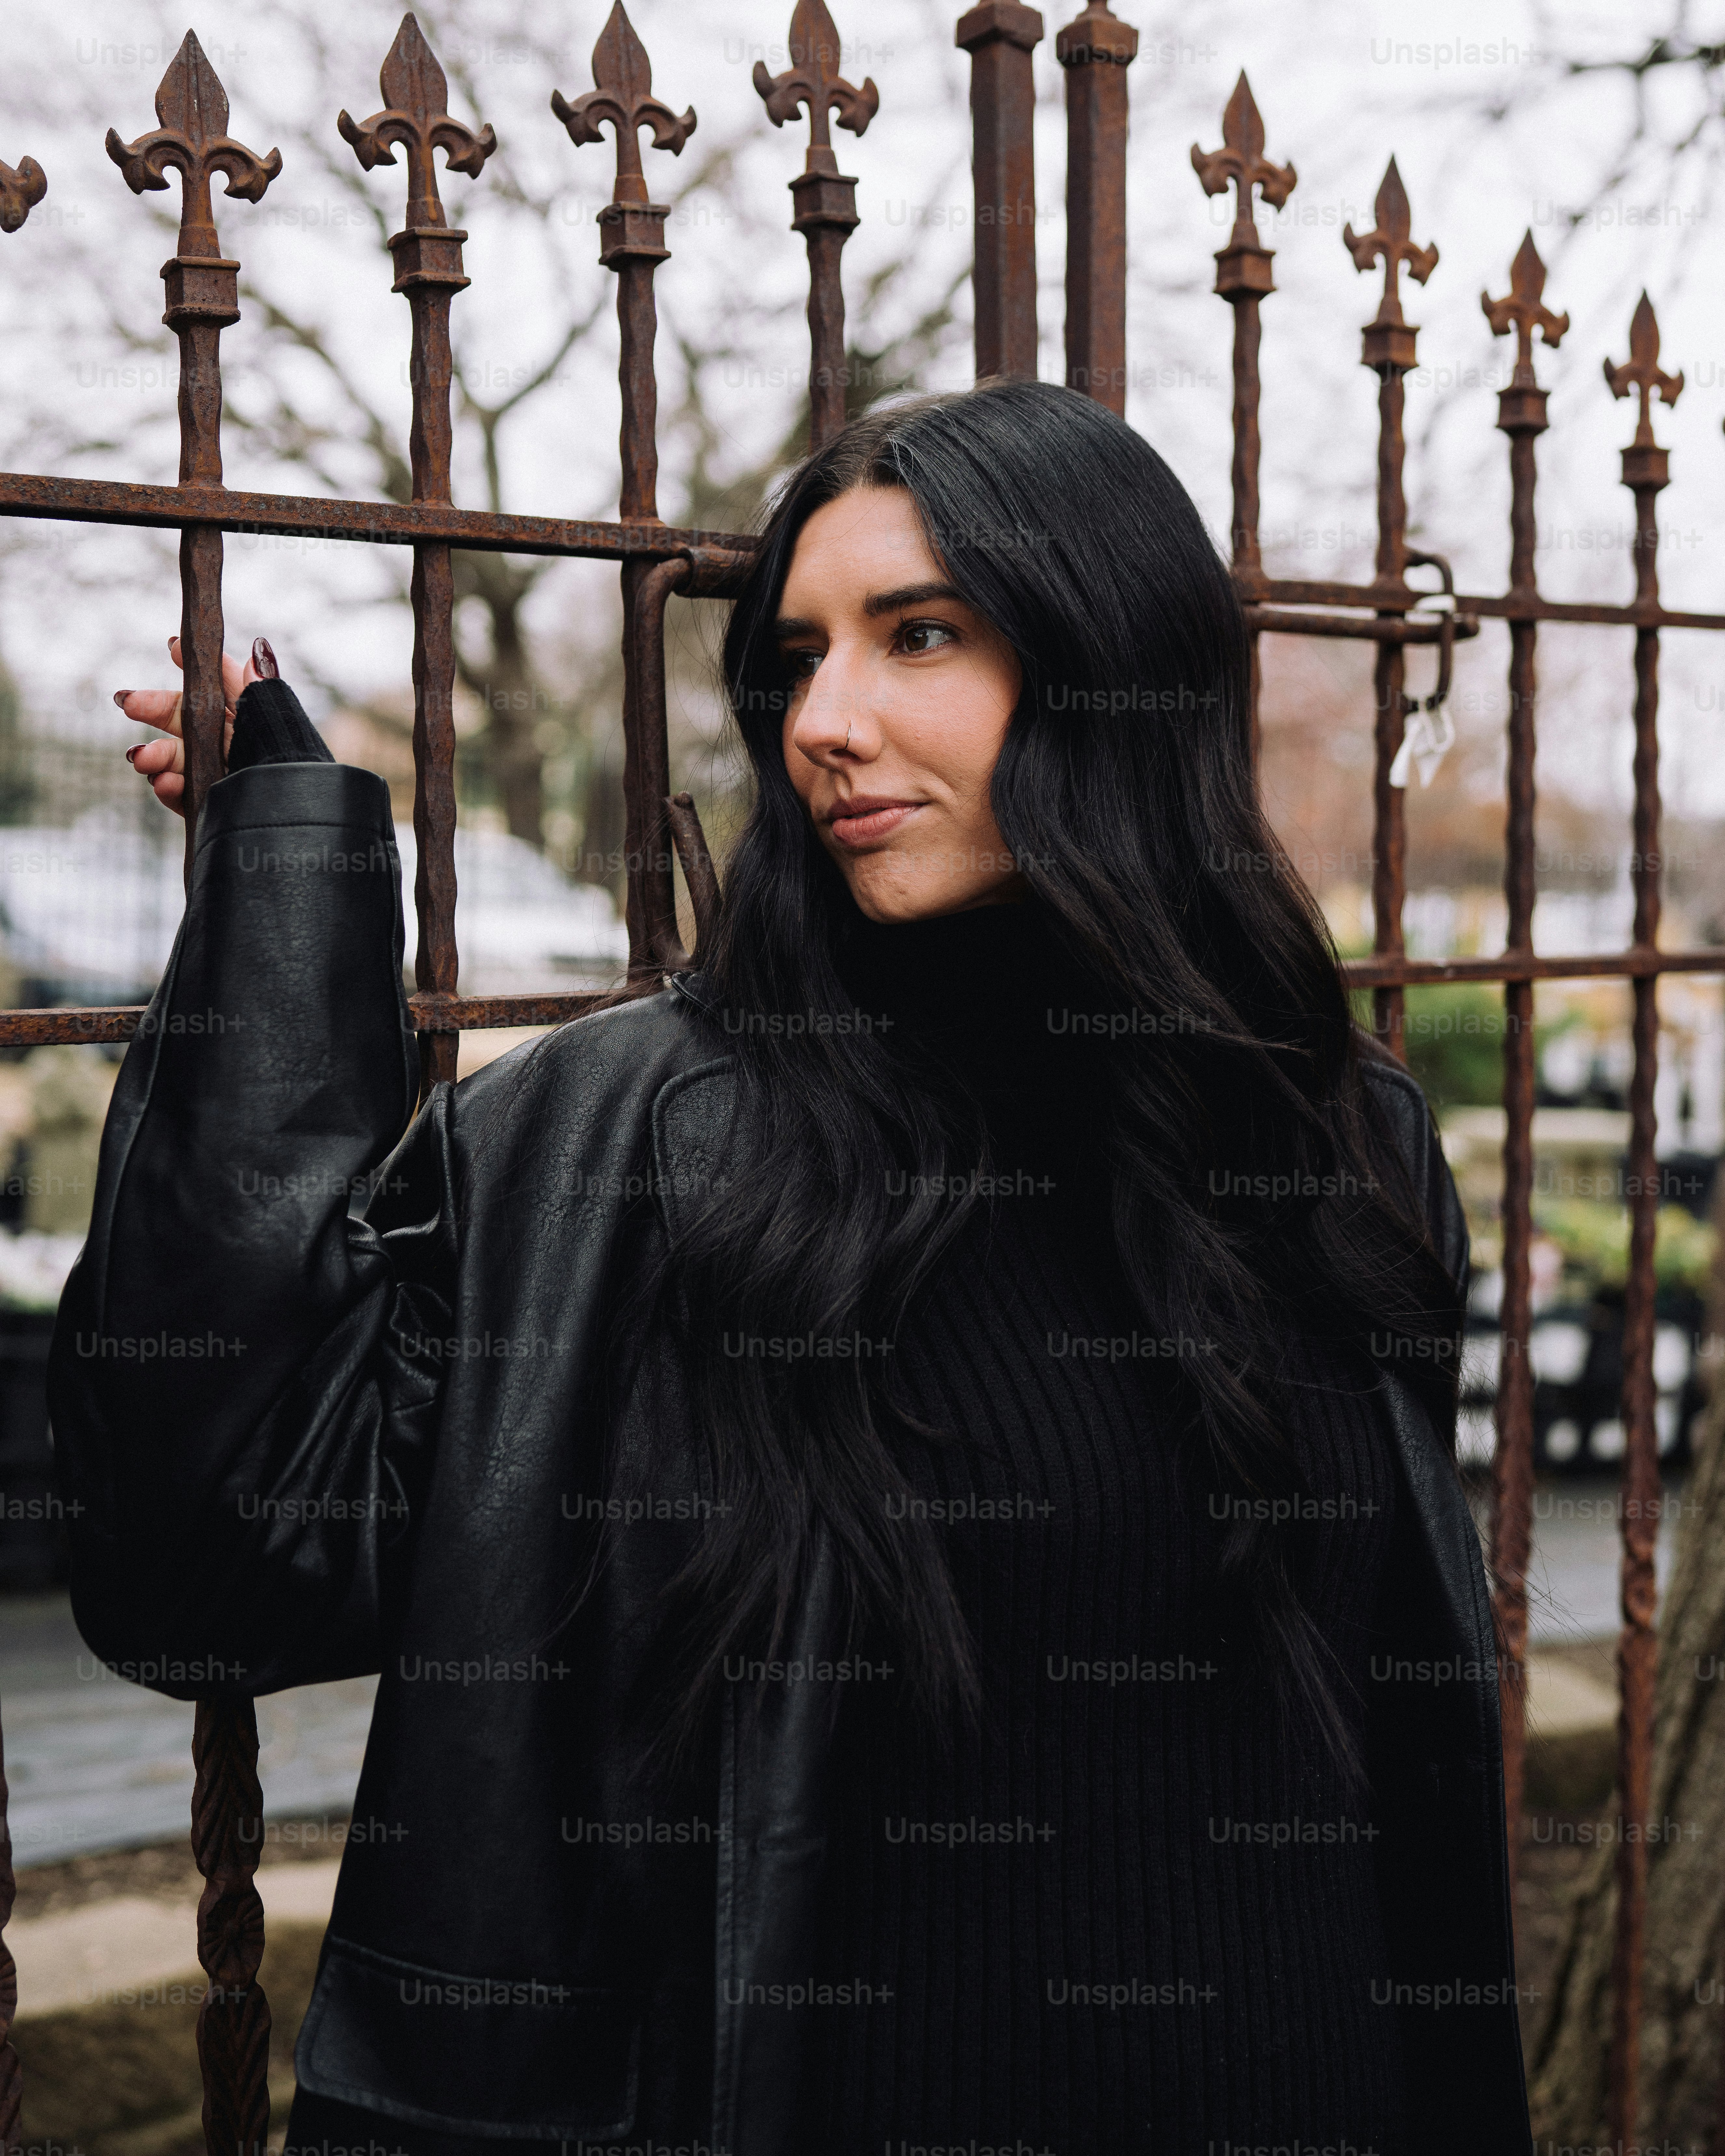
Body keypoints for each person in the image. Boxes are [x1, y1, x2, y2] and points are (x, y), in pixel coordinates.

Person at [51, 380, 1530, 2155]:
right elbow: (219, 1559)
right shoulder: (629, 1143)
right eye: (798, 656)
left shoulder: (1331, 1144)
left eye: (919, 636)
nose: (824, 719)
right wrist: (291, 884)